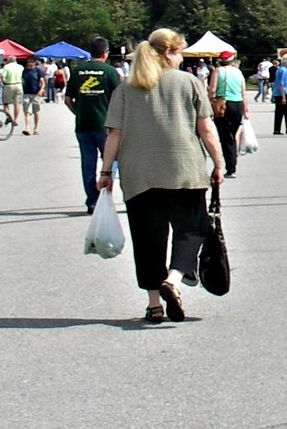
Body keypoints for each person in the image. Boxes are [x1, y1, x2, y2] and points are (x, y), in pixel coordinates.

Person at [98, 27, 225, 323]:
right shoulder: (189, 82)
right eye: (180, 53)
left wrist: (105, 171)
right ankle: (174, 278)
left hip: (138, 175)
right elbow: (206, 128)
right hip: (184, 171)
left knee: (147, 240)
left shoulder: (126, 88)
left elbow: (114, 133)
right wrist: (218, 163)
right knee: (192, 229)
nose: (181, 58)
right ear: (168, 53)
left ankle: (154, 304)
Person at [65, 38, 121, 214]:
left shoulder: (77, 71)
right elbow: (119, 98)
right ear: (105, 53)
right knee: (111, 163)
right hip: (106, 126)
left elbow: (68, 100)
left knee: (87, 165)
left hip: (83, 125)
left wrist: (78, 112)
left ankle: (92, 201)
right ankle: (106, 197)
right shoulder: (110, 71)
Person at [208, 51, 248, 178]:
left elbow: (212, 89)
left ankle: (231, 167)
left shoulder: (218, 71)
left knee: (226, 137)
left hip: (223, 105)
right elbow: (243, 92)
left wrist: (209, 101)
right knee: (233, 134)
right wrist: (246, 110)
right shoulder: (238, 72)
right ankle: (233, 157)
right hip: (237, 105)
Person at [20, 56, 46, 136]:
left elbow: (42, 82)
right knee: (27, 111)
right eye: (29, 62)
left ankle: (35, 129)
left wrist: (41, 90)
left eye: (32, 62)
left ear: (35, 63)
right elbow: (22, 80)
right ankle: (27, 128)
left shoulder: (38, 71)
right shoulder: (25, 71)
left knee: (36, 112)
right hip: (26, 93)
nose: (30, 64)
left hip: (36, 94)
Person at [272, 54, 287, 135]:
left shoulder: (279, 69)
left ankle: (277, 129)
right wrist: (283, 97)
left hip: (277, 93)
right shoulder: (284, 71)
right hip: (284, 93)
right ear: (286, 62)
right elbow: (282, 84)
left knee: (279, 112)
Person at [0, 55, 24, 127]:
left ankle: (10, 117)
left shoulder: (6, 67)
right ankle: (16, 119)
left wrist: (4, 82)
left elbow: (3, 77)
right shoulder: (21, 67)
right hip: (19, 85)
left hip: (9, 85)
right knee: (17, 104)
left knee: (6, 103)